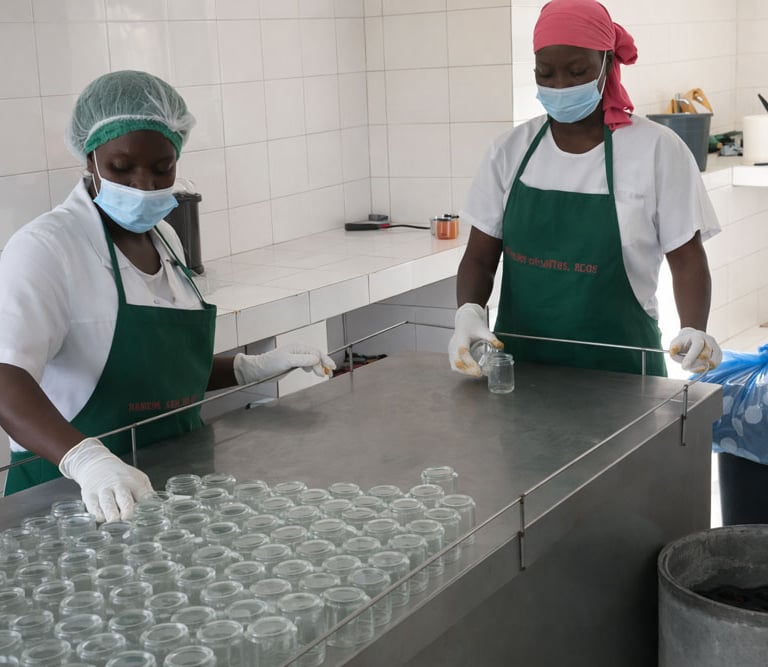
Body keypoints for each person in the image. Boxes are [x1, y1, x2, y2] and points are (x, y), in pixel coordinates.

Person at [0, 70, 335, 522]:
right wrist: (87, 461)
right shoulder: (47, 248)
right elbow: (6, 378)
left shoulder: (166, 243)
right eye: (122, 168)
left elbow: (157, 375)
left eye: (162, 169)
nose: (144, 186)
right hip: (67, 502)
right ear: (89, 159)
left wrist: (247, 368)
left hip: (169, 489)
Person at [448, 0, 722, 379]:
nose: (560, 85)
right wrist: (468, 313)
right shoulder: (509, 151)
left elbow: (687, 257)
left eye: (577, 72)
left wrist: (695, 328)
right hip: (521, 374)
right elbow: (479, 255)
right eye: (545, 73)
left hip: (623, 376)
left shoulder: (656, 150)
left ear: (607, 64)